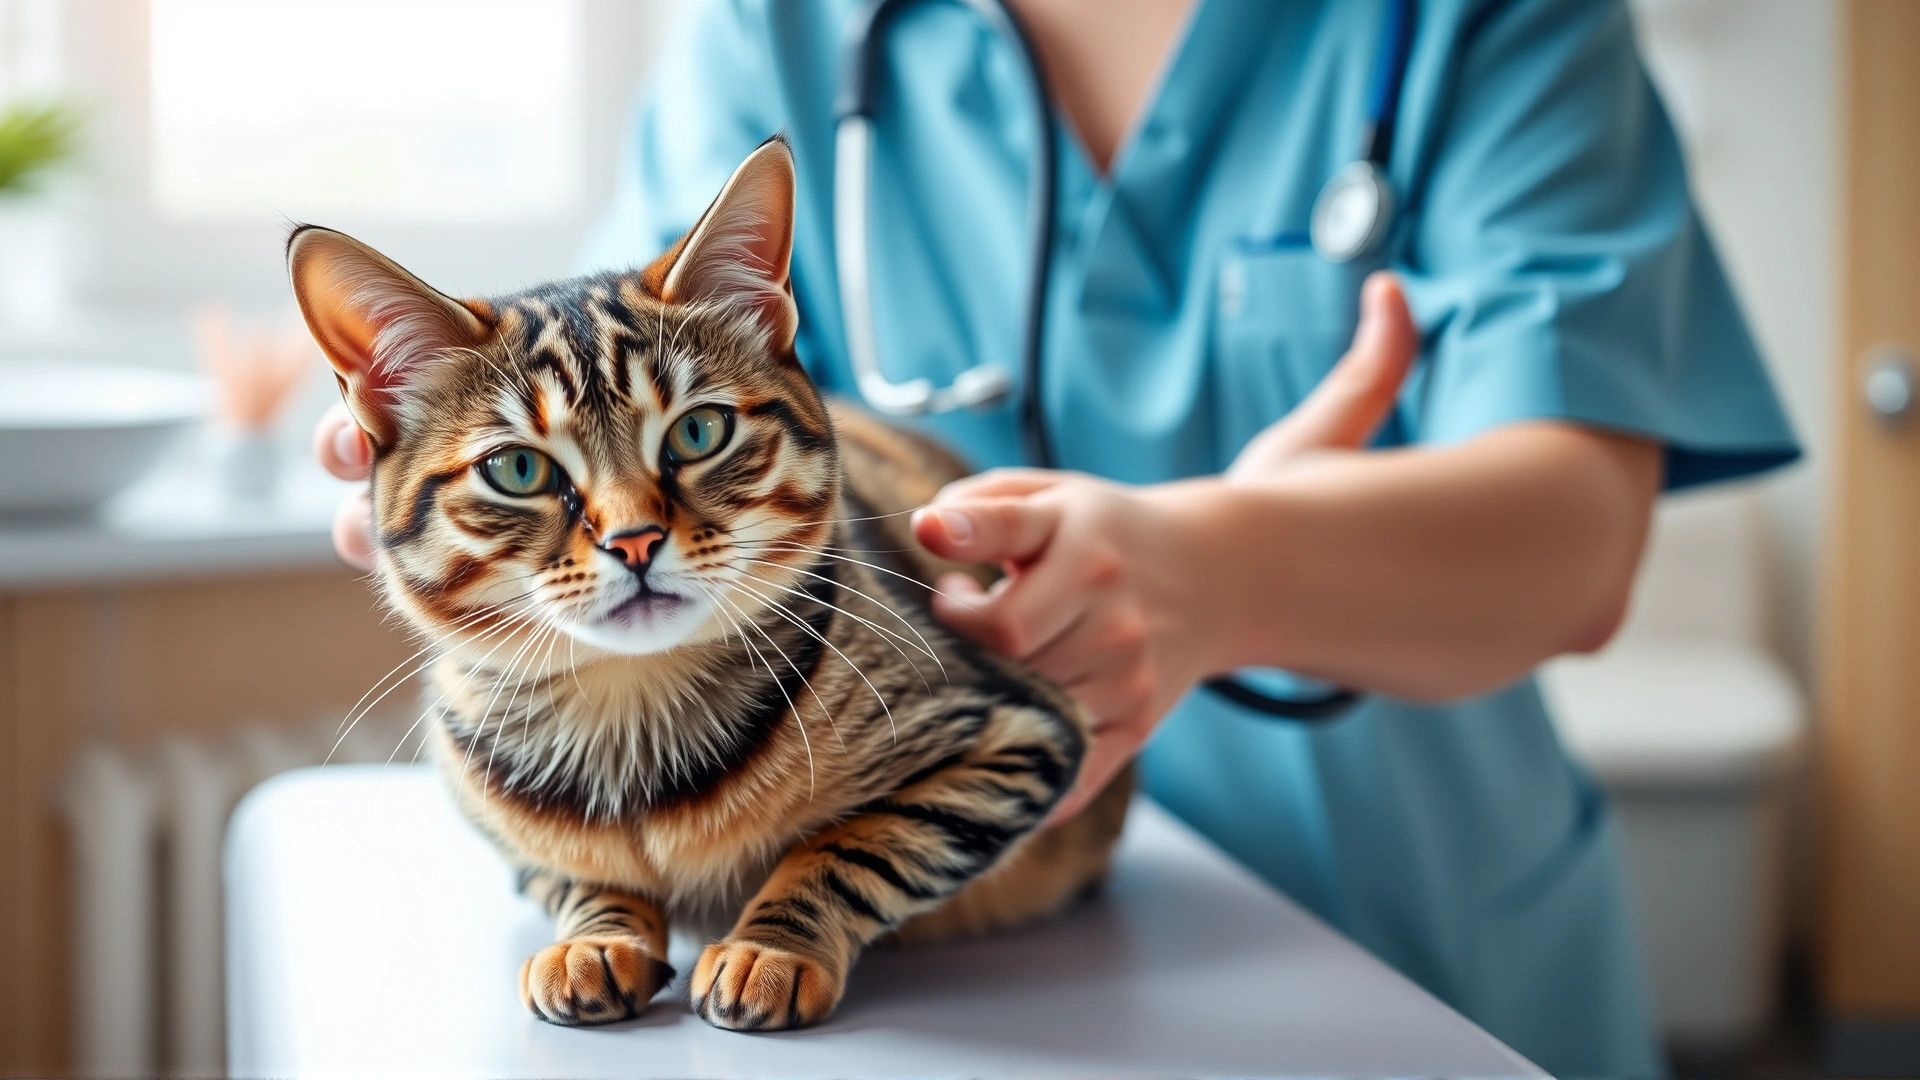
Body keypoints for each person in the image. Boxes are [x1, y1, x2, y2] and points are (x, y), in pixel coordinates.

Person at [314, 0, 1799, 1073]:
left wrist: (1232, 563)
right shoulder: (775, 28)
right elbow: (618, 366)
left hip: (1420, 954)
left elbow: (1579, 539)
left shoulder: (1489, 22)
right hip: (947, 1007)